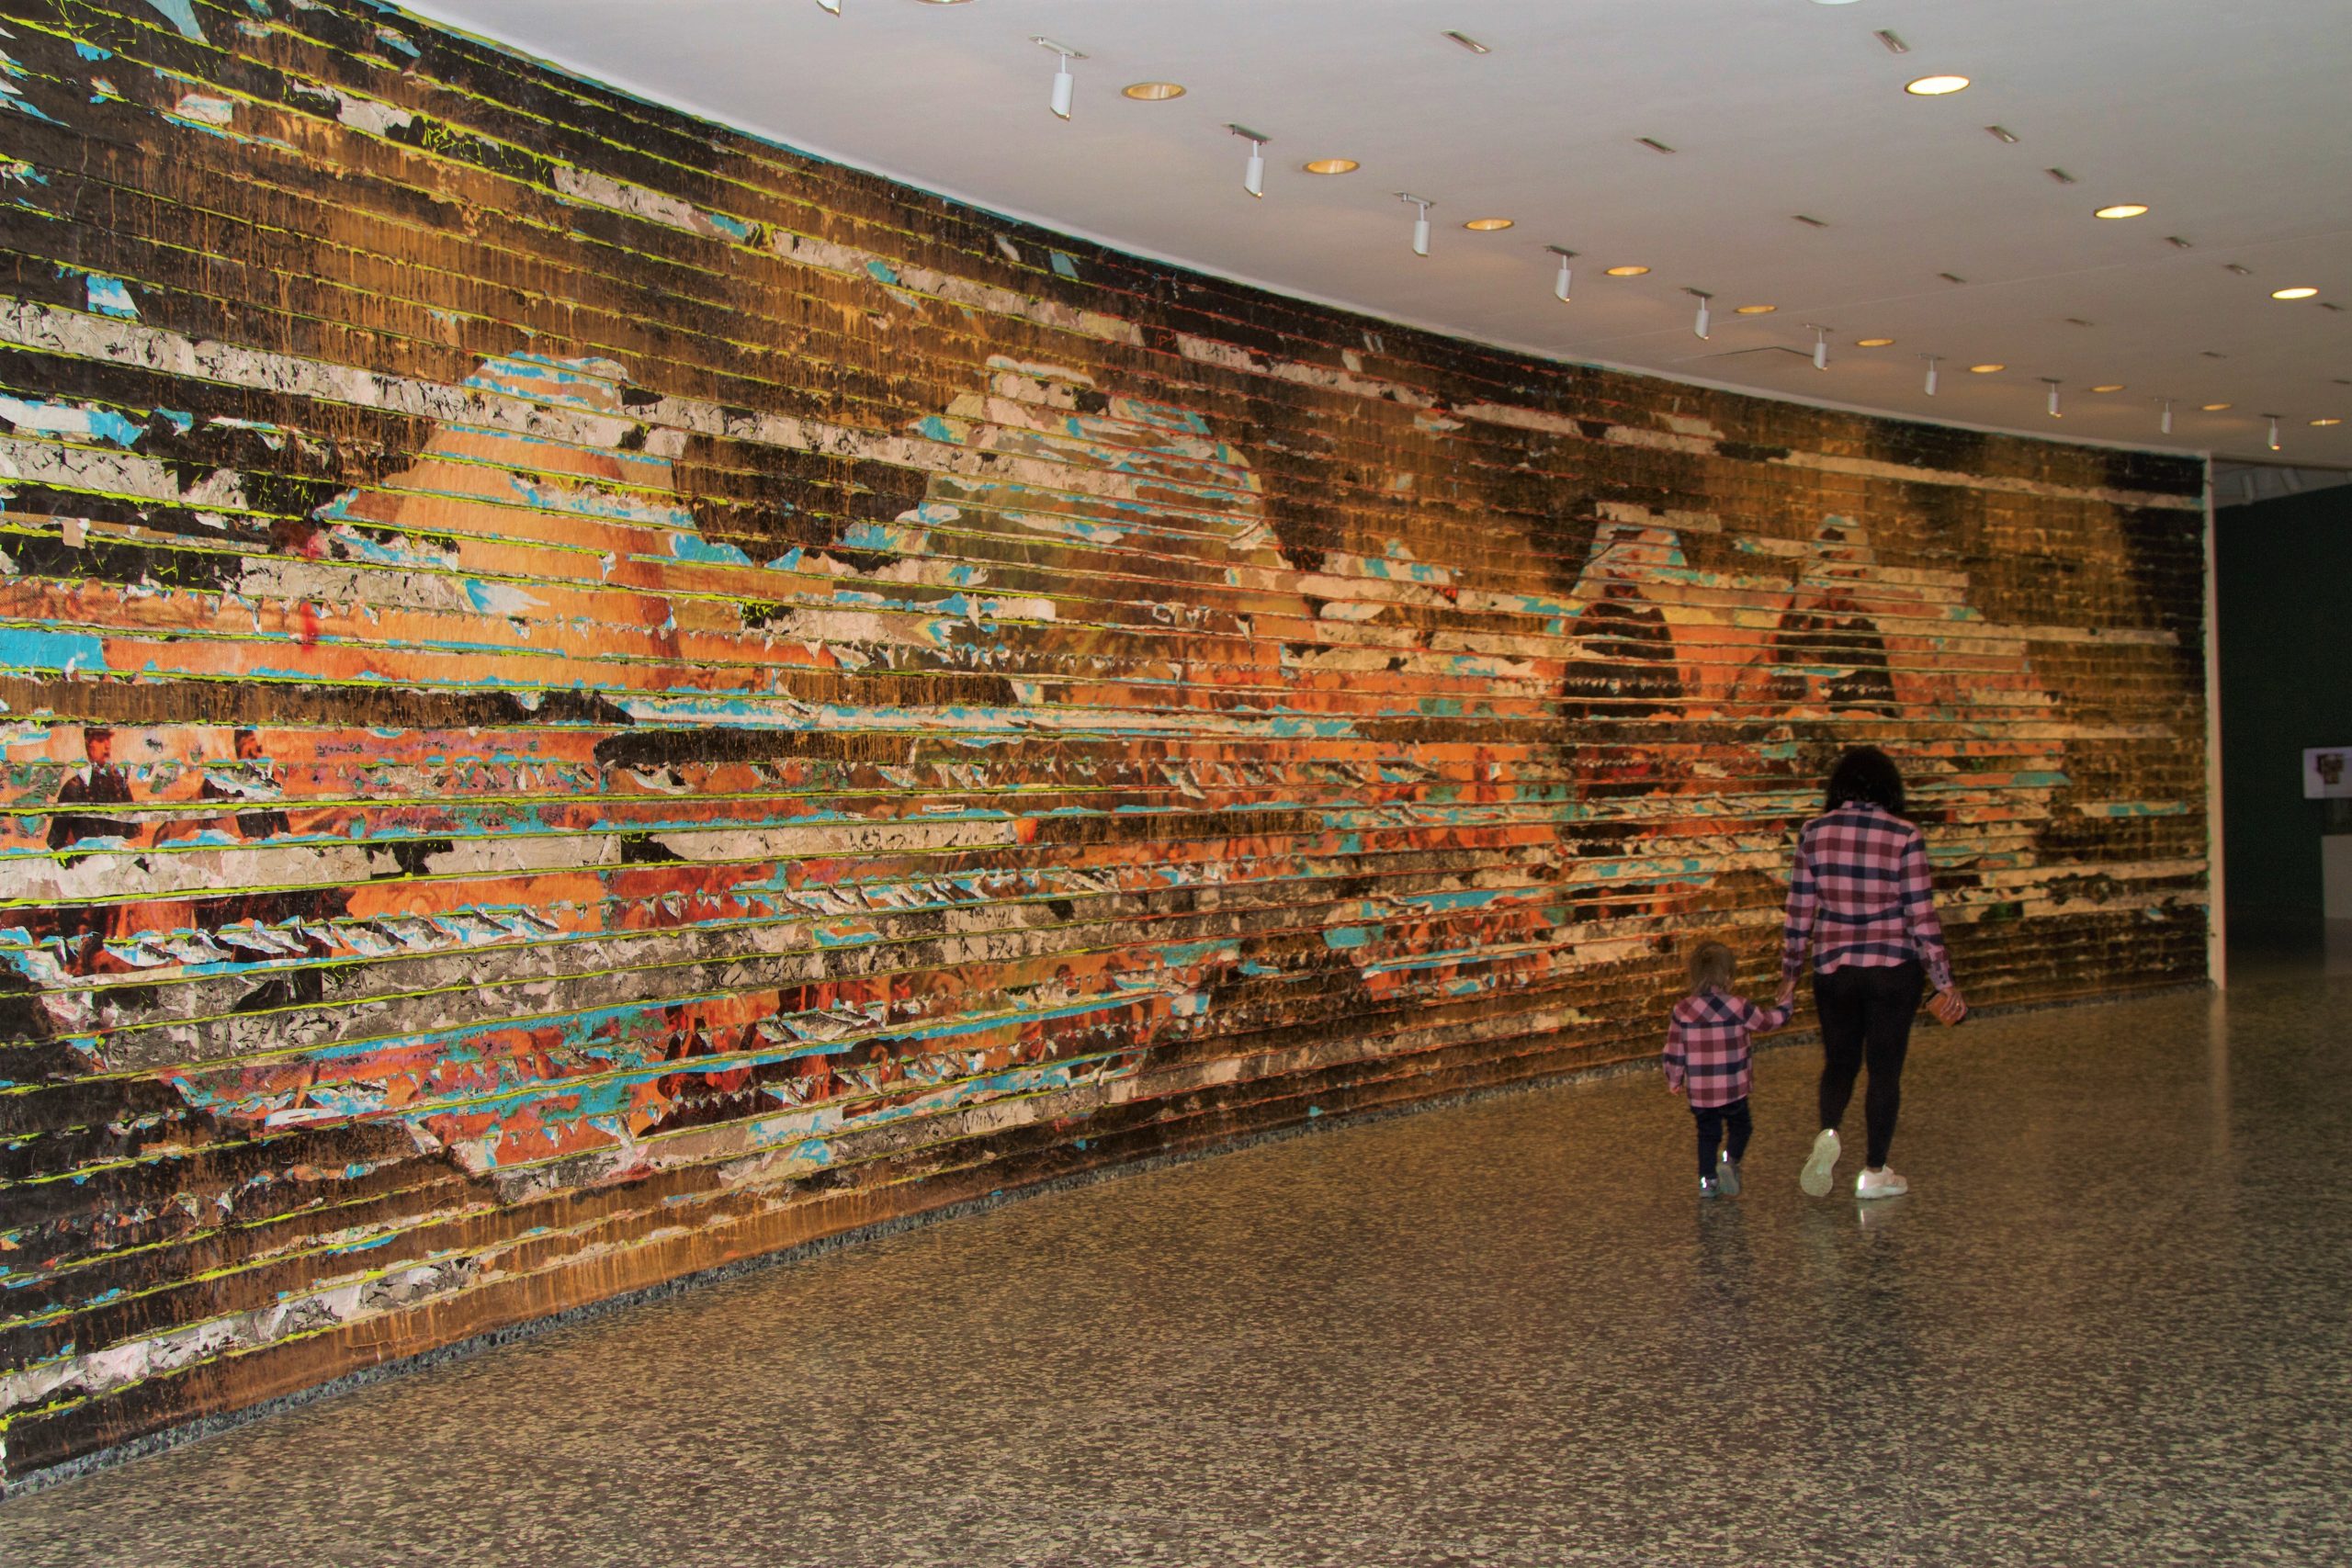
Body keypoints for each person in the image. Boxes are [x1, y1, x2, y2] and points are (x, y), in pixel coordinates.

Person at [1778, 746, 1967, 1201]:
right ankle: (1874, 1172)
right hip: (1892, 971)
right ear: (1888, 787)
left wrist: (1789, 975)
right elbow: (1922, 918)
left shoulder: (1813, 833)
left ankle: (1828, 1133)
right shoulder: (1904, 835)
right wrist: (1944, 982)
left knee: (1839, 1062)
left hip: (1833, 969)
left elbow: (1799, 911)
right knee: (1885, 1071)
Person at [1663, 939, 1791, 1197]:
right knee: (1741, 1127)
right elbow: (1767, 1022)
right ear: (1729, 974)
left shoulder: (1682, 1010)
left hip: (1701, 1093)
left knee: (1706, 1135)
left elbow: (1674, 1049)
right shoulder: (1738, 1006)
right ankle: (1730, 1161)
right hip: (1733, 1088)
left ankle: (1707, 1183)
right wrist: (1786, 1006)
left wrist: (1674, 1080)